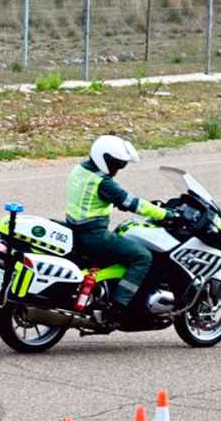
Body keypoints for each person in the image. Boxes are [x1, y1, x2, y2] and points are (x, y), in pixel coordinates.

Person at [65, 135, 169, 323]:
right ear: (104, 159)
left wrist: (115, 202)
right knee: (142, 257)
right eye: (116, 164)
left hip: (75, 231)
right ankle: (119, 306)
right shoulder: (101, 182)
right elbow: (134, 203)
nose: (117, 170)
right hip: (93, 236)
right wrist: (166, 214)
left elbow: (91, 198)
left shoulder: (80, 170)